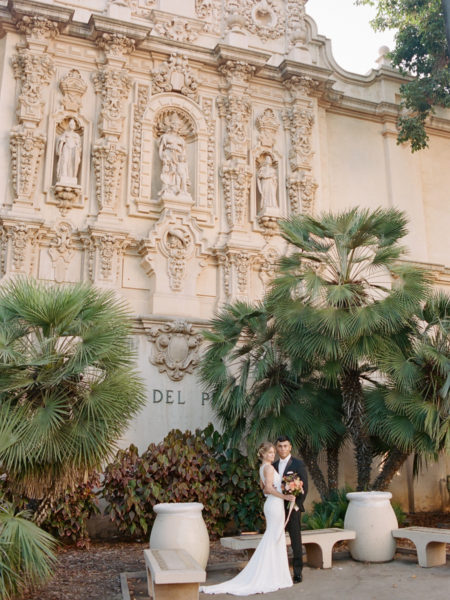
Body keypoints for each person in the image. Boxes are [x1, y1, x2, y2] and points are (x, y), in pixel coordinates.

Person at [200, 442, 294, 595]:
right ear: (262, 454)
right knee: (274, 537)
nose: (273, 455)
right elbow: (269, 489)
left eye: (273, 452)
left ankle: (274, 573)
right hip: (275, 505)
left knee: (274, 537)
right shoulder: (269, 468)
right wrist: (285, 496)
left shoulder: (262, 467)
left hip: (272, 504)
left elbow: (264, 489)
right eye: (269, 453)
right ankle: (271, 574)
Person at [273, 435, 308, 583]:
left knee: (295, 540)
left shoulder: (298, 464)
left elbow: (304, 486)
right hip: (276, 507)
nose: (283, 449)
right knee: (277, 539)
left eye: (285, 446)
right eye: (280, 446)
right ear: (276, 448)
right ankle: (278, 570)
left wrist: (297, 505)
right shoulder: (273, 466)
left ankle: (298, 572)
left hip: (292, 508)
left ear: (290, 447)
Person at [56, 118, 81, 184]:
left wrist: (78, 149)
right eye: (71, 124)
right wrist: (59, 150)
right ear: (69, 125)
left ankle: (71, 176)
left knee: (72, 162)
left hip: (73, 149)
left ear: (75, 126)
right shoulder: (65, 133)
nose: (72, 125)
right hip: (66, 148)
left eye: (73, 124)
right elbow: (61, 141)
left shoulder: (76, 135)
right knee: (65, 161)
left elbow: (78, 145)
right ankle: (64, 175)